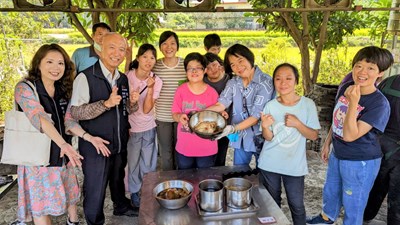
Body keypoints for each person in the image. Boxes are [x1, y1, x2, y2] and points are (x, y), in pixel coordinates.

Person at [306, 46, 393, 225]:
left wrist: (354, 102)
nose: (362, 72)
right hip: (338, 153)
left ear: (380, 73)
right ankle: (327, 217)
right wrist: (328, 142)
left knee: (354, 201)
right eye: (358, 66)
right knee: (331, 189)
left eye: (370, 68)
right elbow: (337, 116)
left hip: (360, 161)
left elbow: (350, 135)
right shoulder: (346, 87)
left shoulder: (379, 104)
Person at [69, 33, 139, 225]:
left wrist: (132, 103)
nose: (117, 53)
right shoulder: (85, 77)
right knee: (95, 187)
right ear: (100, 48)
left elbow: (125, 109)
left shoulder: (122, 79)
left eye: (122, 49)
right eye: (112, 47)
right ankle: (95, 221)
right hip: (95, 145)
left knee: (117, 178)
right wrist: (105, 104)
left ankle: (121, 206)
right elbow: (76, 112)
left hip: (118, 141)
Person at [12, 44, 85, 225]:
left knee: (70, 192)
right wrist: (64, 145)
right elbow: (40, 118)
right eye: (50, 62)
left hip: (62, 155)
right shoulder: (24, 88)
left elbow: (69, 121)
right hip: (38, 161)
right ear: (38, 64)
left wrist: (88, 137)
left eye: (60, 63)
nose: (56, 68)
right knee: (41, 207)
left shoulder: (63, 89)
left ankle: (73, 220)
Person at [259, 63, 320, 225]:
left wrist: (298, 124)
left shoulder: (307, 105)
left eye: (288, 78)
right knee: (272, 205)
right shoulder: (270, 105)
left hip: (294, 165)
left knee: (297, 206)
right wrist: (265, 127)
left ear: (296, 81)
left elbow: (314, 135)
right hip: (269, 163)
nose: (283, 83)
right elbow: (269, 137)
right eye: (278, 79)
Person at [207, 44, 274, 166]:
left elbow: (256, 117)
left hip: (262, 137)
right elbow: (221, 104)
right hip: (241, 138)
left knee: (265, 176)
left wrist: (232, 128)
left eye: (240, 61)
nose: (238, 67)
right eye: (233, 65)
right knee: (239, 176)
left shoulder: (265, 82)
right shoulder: (233, 82)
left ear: (249, 58)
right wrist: (200, 114)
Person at [125, 44, 162, 208]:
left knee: (148, 163)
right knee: (132, 163)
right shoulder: (127, 77)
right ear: (138, 58)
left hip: (148, 127)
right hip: (131, 129)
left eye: (152, 57)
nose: (148, 61)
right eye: (145, 56)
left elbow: (147, 109)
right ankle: (134, 193)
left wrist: (150, 87)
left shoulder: (157, 81)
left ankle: (146, 192)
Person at [171, 52, 219, 169]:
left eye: (198, 68)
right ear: (186, 71)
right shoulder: (180, 91)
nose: (194, 71)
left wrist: (222, 114)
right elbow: (174, 114)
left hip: (207, 147)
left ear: (205, 70)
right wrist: (179, 117)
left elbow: (217, 117)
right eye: (190, 69)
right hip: (185, 146)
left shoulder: (212, 93)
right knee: (185, 181)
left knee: (204, 182)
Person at [363, 74, 400, 225]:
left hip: (379, 144)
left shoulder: (389, 81)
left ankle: (365, 217)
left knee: (374, 186)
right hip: (391, 147)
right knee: (397, 199)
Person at [152, 30, 187, 171]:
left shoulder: (185, 65)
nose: (169, 47)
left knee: (180, 152)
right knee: (166, 154)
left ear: (177, 46)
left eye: (173, 43)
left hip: (182, 117)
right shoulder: (155, 65)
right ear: (160, 47)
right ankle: (170, 186)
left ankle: (182, 183)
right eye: (165, 43)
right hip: (162, 116)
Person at [203, 52, 231, 166]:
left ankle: (219, 180)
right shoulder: (202, 82)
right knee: (207, 157)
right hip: (208, 126)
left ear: (220, 64)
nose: (212, 69)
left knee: (221, 157)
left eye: (214, 65)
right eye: (208, 67)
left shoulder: (231, 80)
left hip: (226, 125)